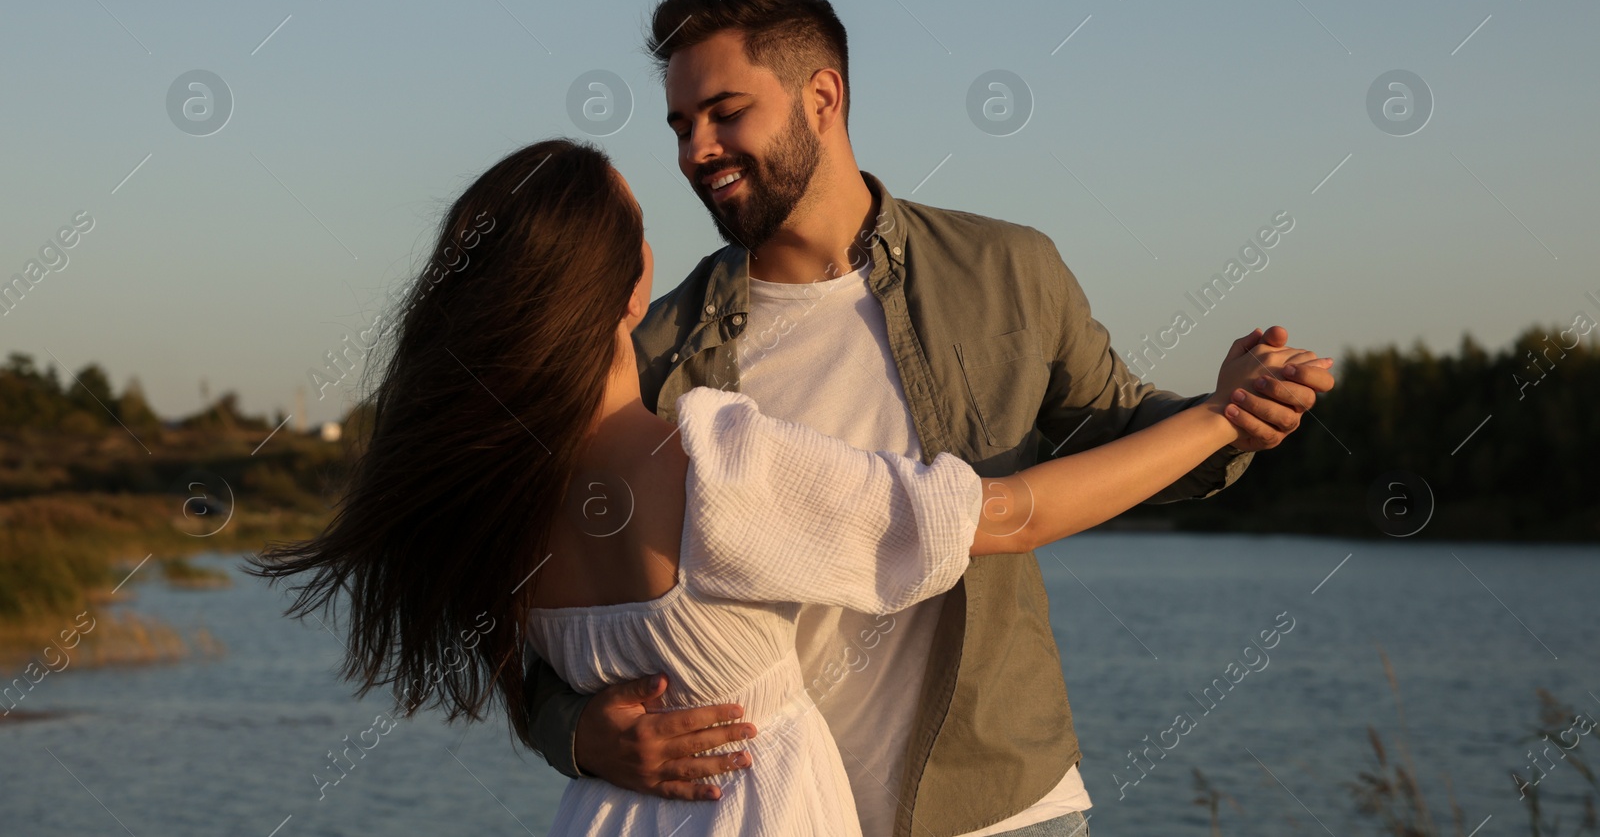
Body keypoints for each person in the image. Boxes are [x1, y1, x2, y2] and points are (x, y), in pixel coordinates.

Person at [249, 138, 1330, 836]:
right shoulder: (711, 460)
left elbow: (524, 678)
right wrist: (1219, 414)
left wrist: (583, 737)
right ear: (626, 288)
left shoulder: (503, 496)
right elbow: (1014, 511)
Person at [522, 0, 1336, 837]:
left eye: (725, 112)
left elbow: (1117, 431)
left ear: (823, 96)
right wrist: (574, 733)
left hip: (1002, 809)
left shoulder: (1008, 271)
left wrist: (1230, 410)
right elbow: (542, 610)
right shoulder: (654, 352)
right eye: (682, 126)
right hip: (771, 815)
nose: (697, 149)